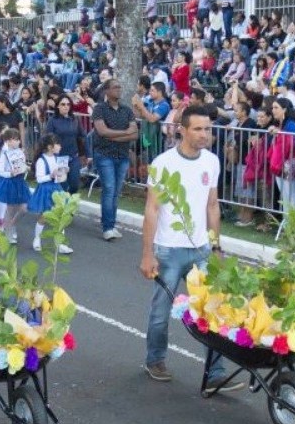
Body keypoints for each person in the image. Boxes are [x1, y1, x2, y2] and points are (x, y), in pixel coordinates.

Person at [140, 103, 241, 391]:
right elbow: (152, 210)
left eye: (208, 129)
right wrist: (147, 253)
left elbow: (212, 206)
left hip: (201, 250)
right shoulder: (163, 164)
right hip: (168, 250)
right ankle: (155, 359)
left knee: (212, 310)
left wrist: (216, 246)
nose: (204, 134)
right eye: (197, 129)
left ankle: (215, 373)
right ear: (181, 130)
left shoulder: (211, 161)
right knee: (161, 311)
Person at [91, 79, 138, 241]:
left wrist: (116, 136)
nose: (118, 90)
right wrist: (125, 133)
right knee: (109, 189)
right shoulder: (99, 109)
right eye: (115, 87)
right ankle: (107, 227)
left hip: (122, 156)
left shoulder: (127, 110)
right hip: (105, 155)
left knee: (116, 192)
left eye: (119, 87)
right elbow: (102, 131)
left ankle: (111, 224)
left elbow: (135, 133)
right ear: (106, 91)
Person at [26, 133, 73, 254]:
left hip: (57, 189)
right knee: (44, 216)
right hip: (46, 190)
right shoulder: (41, 160)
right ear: (49, 147)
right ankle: (37, 239)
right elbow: (40, 179)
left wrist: (64, 171)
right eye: (57, 144)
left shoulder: (57, 158)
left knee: (60, 216)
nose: (60, 146)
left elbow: (61, 175)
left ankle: (60, 243)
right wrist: (51, 175)